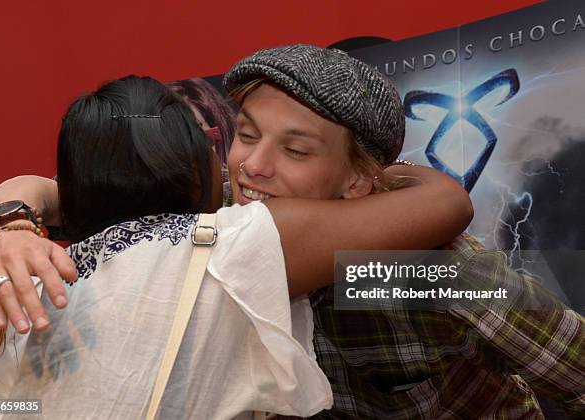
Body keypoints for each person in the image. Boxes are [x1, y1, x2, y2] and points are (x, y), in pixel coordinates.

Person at [0, 74, 472, 419]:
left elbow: (5, 407)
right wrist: (373, 175)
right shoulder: (234, 244)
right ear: (196, 165)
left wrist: (11, 215)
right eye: (230, 138)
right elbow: (446, 202)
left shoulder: (10, 293)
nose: (248, 165)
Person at [220, 44, 584, 419]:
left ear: (358, 180)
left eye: (295, 150)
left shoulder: (430, 272)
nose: (253, 165)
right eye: (247, 135)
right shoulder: (213, 220)